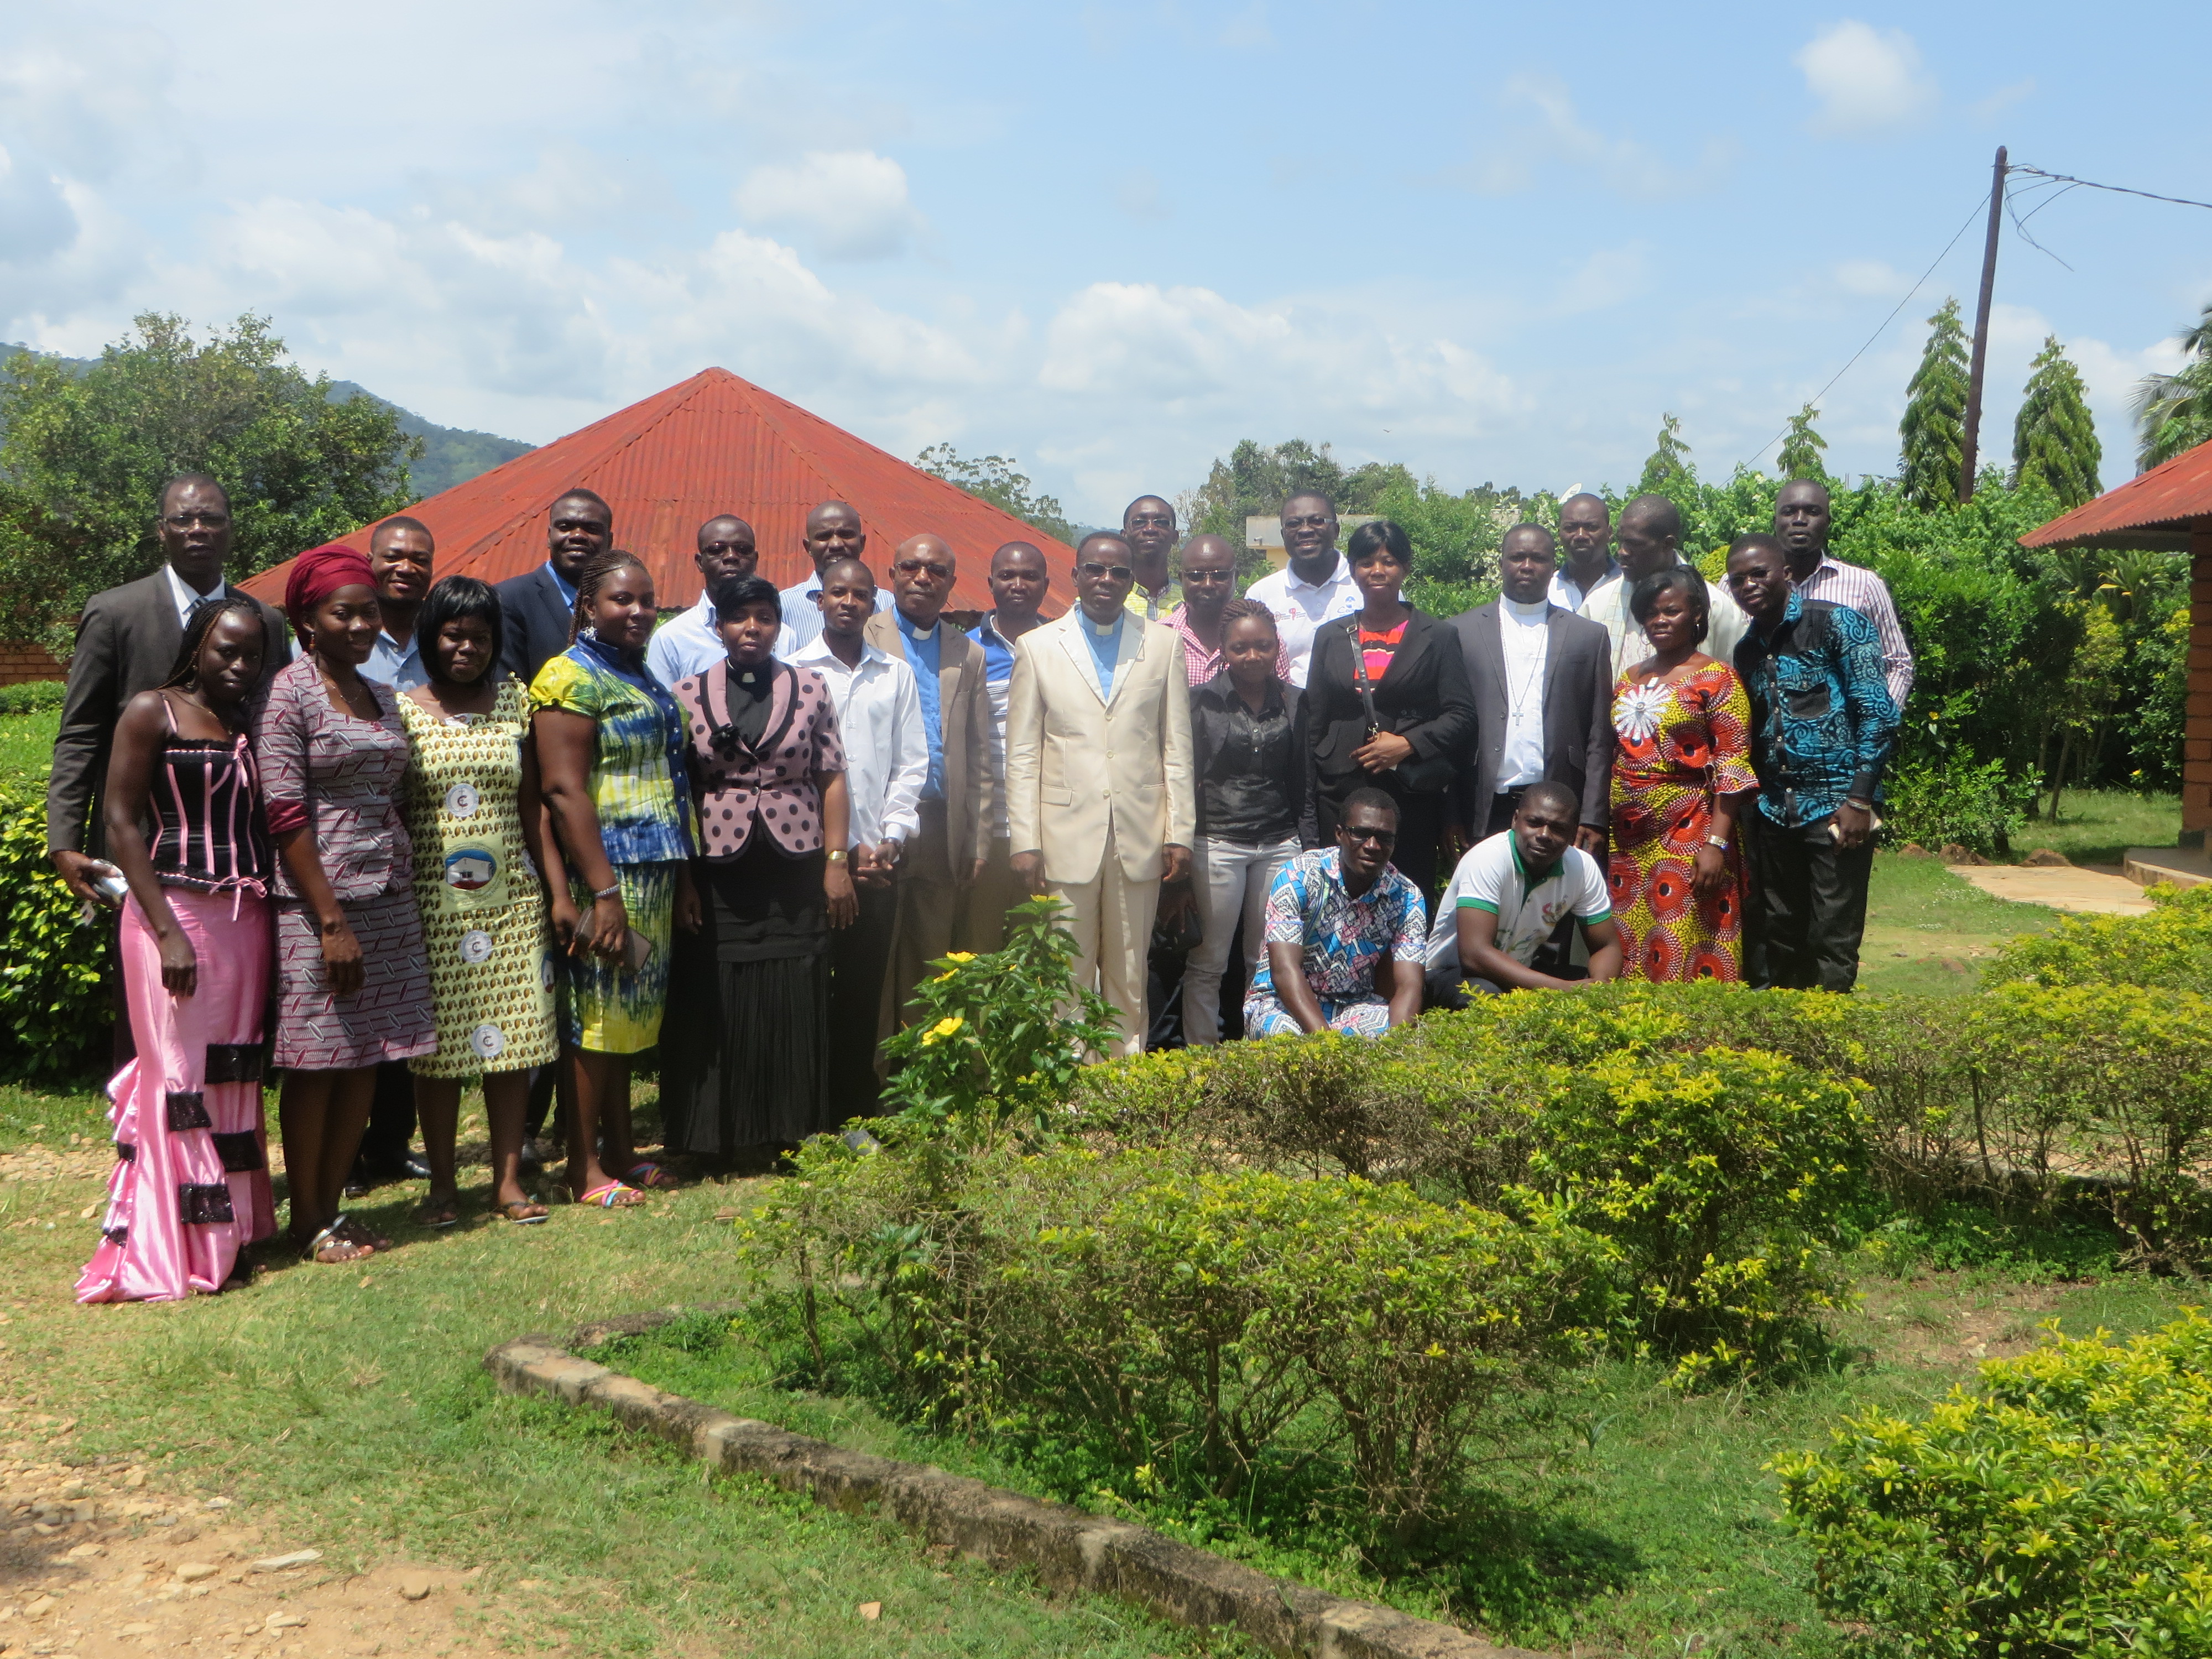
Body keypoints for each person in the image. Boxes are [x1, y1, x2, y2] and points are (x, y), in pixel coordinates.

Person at [77, 599, 279, 1298]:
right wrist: (166, 931)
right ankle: (176, 1244)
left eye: (251, 654)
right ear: (198, 648)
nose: (239, 665)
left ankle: (234, 1231)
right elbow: (121, 822)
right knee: (179, 1078)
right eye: (226, 651)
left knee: (232, 1075)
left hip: (244, 919)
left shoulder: (248, 719)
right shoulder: (151, 711)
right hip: (172, 915)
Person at [256, 545, 437, 1262]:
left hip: (389, 896)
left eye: (369, 612)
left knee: (367, 1054)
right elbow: (284, 811)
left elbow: (392, 792)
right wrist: (330, 920)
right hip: (317, 903)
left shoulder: (381, 696)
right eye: (346, 613)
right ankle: (305, 1220)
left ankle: (332, 1211)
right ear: (308, 620)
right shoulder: (285, 695)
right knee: (316, 1059)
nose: (363, 624)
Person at [662, 577, 854, 1164]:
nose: (753, 628)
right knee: (721, 992)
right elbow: (680, 792)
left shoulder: (811, 686)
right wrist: (686, 882)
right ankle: (720, 1138)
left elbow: (832, 777)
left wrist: (837, 862)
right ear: (717, 626)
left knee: (795, 988)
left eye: (764, 617)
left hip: (796, 867)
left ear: (779, 625)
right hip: (719, 870)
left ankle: (794, 1128)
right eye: (739, 617)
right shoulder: (685, 694)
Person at [530, 550, 700, 1207]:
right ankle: (583, 1167)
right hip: (609, 876)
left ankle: (624, 1152)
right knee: (595, 1023)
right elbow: (563, 789)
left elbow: (671, 778)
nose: (637, 611)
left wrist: (683, 879)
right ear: (588, 607)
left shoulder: (639, 672)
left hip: (656, 871)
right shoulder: (569, 677)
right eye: (621, 601)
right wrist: (599, 894)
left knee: (628, 1023)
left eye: (647, 600)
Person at [395, 576, 561, 1227]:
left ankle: (508, 1182)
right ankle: (441, 1184)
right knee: (437, 1055)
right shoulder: (402, 709)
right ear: (431, 636)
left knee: (513, 1045)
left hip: (512, 902)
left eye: (480, 637)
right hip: (433, 905)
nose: (466, 648)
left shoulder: (516, 703)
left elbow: (535, 809)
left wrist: (556, 894)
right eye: (454, 635)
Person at [49, 474, 290, 905]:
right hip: (137, 847)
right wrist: (63, 842)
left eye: (210, 519)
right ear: (162, 530)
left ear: (230, 528)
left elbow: (279, 735)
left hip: (243, 854)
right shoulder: (115, 614)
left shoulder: (265, 622)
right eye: (183, 519)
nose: (197, 529)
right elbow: (81, 733)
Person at [1005, 532, 1195, 1057]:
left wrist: (1180, 832)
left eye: (1117, 572)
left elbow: (1176, 747)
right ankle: (1069, 1091)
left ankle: (1122, 1083)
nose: (1106, 580)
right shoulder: (1038, 648)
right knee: (1065, 970)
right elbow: (1022, 754)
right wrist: (1024, 839)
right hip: (1063, 834)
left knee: (1130, 970)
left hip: (1140, 831)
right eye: (1095, 570)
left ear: (1132, 580)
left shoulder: (1163, 644)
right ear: (1075, 576)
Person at [1725, 534, 1900, 993]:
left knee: (1832, 936)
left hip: (1837, 808)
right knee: (1780, 932)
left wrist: (1860, 798)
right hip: (1774, 812)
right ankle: (1785, 1046)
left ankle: (1830, 1044)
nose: (1749, 585)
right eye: (1738, 579)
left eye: (1759, 573)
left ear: (1785, 572)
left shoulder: (1838, 624)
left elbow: (1877, 713)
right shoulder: (1746, 652)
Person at [791, 558, 927, 1119]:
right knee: (805, 993)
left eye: (860, 595)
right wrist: (831, 856)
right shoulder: (792, 671)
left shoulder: (894, 674)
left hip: (875, 862)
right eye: (837, 593)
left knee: (861, 990)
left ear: (876, 605)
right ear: (817, 601)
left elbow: (911, 765)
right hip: (807, 862)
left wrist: (889, 841)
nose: (848, 602)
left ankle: (854, 1109)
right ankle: (805, 1111)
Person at [1303, 519, 1476, 898]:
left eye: (1389, 561)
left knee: (1404, 900)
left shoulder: (1439, 636)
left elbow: (1462, 716)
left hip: (1409, 797)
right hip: (1340, 794)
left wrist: (1408, 743)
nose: (1377, 571)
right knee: (1333, 901)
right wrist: (1311, 802)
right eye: (1366, 562)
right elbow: (1314, 721)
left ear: (1406, 568)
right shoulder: (1330, 636)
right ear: (1352, 570)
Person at [862, 534, 992, 1031]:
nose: (923, 578)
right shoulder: (864, 635)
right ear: (891, 575)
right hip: (873, 823)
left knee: (928, 950)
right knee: (875, 947)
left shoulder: (968, 653)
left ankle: (916, 1071)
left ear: (952, 584)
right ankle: (870, 1075)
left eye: (936, 570)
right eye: (911, 567)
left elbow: (979, 754)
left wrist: (977, 837)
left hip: (938, 824)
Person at [1608, 566, 1759, 982]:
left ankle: (1692, 1040)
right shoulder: (1628, 680)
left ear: (1696, 613)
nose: (1659, 621)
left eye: (1671, 611)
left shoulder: (1718, 679)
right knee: (1627, 940)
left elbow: (1732, 765)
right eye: (1650, 612)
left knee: (1680, 936)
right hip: (1627, 839)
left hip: (1689, 829)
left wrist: (1716, 844)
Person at [349, 515, 439, 1198]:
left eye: (418, 558)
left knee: (408, 1000)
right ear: (371, 561)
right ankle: (345, 1154)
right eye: (394, 556)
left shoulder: (438, 643)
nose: (405, 566)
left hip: (426, 849)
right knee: (354, 1004)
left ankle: (391, 1145)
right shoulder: (346, 634)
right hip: (353, 843)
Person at [1183, 601, 1311, 1045]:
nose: (1252, 656)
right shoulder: (1201, 703)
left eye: (1262, 646)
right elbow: (1184, 778)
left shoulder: (1297, 703)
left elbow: (1304, 780)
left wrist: (1307, 844)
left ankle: (1260, 1054)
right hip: (1217, 842)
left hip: (1280, 844)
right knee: (1209, 959)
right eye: (1241, 648)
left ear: (1277, 647)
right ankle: (1202, 1059)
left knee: (1268, 959)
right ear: (1223, 650)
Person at [1448, 524, 1614, 849]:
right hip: (1483, 803)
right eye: (1517, 557)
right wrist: (1450, 813)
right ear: (1501, 563)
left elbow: (1599, 735)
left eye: (1538, 558)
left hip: (1560, 804)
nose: (1527, 566)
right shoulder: (1459, 632)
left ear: (1553, 566)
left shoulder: (1588, 637)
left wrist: (1593, 815)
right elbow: (1450, 732)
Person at [1423, 780, 1624, 1006]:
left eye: (1558, 828)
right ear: (1515, 820)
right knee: (1485, 993)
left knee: (1595, 985)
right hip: (1450, 974)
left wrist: (1599, 990)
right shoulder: (1488, 858)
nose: (1544, 835)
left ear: (1572, 833)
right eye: (1535, 823)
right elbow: (1474, 955)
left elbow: (1606, 946)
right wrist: (1562, 989)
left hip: (1520, 975)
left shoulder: (1582, 867)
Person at [1244, 787, 1426, 1037]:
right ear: (1340, 834)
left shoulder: (1408, 896)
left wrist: (1398, 1045)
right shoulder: (1298, 876)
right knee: (1283, 1035)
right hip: (1282, 1002)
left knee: (1392, 1032)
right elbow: (1285, 971)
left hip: (1356, 1005)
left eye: (1384, 838)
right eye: (1361, 834)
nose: (1373, 846)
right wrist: (1328, 1045)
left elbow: (1410, 985)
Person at [958, 541, 1050, 953]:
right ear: (990, 583)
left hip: (1049, 828)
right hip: (987, 831)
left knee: (1041, 954)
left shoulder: (1062, 646)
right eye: (1008, 576)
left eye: (1029, 576)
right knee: (982, 950)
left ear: (1046, 585)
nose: (1018, 584)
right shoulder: (965, 650)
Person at [1772, 479, 1915, 711]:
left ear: (1827, 522)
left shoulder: (1864, 585)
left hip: (1844, 742)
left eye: (1812, 512)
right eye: (1789, 512)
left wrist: (1878, 725)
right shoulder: (1742, 586)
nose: (1799, 520)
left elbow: (1897, 663)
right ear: (1775, 521)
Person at [1578, 494, 1749, 679]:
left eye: (1634, 544)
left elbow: (1735, 680)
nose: (1622, 552)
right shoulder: (1597, 605)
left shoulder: (1715, 607)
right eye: (1620, 542)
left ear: (1667, 544)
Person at [497, 489, 615, 688]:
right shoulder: (508, 601)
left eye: (592, 528)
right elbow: (508, 691)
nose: (578, 535)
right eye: (565, 527)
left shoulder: (621, 606)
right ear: (549, 536)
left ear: (609, 541)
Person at [1244, 490, 1363, 688]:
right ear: (1283, 535)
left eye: (1317, 521)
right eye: (1293, 524)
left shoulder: (1367, 585)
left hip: (1358, 713)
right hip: (1288, 714)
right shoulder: (1261, 596)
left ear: (1336, 530)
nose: (1305, 530)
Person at [646, 515, 759, 687]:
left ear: (755, 559)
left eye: (743, 549)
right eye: (717, 549)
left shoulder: (782, 635)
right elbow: (663, 710)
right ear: (700, 562)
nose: (731, 556)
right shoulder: (671, 639)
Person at [1165, 534, 1290, 687]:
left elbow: (1284, 700)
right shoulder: (1159, 637)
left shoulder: (1265, 640)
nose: (1208, 585)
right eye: (1196, 576)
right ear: (1182, 578)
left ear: (1235, 578)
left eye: (1220, 575)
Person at [776, 502, 892, 655]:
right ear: (808, 547)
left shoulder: (889, 605)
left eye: (846, 535)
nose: (836, 544)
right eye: (824, 537)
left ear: (862, 542)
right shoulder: (783, 607)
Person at [1551, 493, 1620, 612]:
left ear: (1609, 533)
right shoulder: (1547, 592)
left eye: (1591, 527)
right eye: (1571, 528)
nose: (1580, 536)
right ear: (1559, 534)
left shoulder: (1630, 586)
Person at [1122, 495, 1181, 620]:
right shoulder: (1110, 600)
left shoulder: (1190, 603)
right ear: (1124, 536)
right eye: (1139, 522)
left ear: (1175, 537)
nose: (1150, 529)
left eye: (1161, 522)